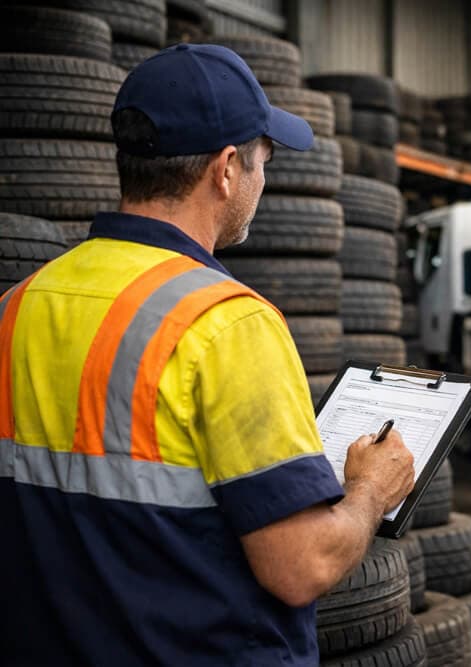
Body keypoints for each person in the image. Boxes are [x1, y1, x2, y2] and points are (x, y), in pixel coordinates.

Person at [0, 43, 415, 665]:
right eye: (263, 161)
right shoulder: (224, 324)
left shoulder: (19, 304)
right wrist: (371, 491)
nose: (263, 180)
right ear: (226, 169)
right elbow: (299, 566)